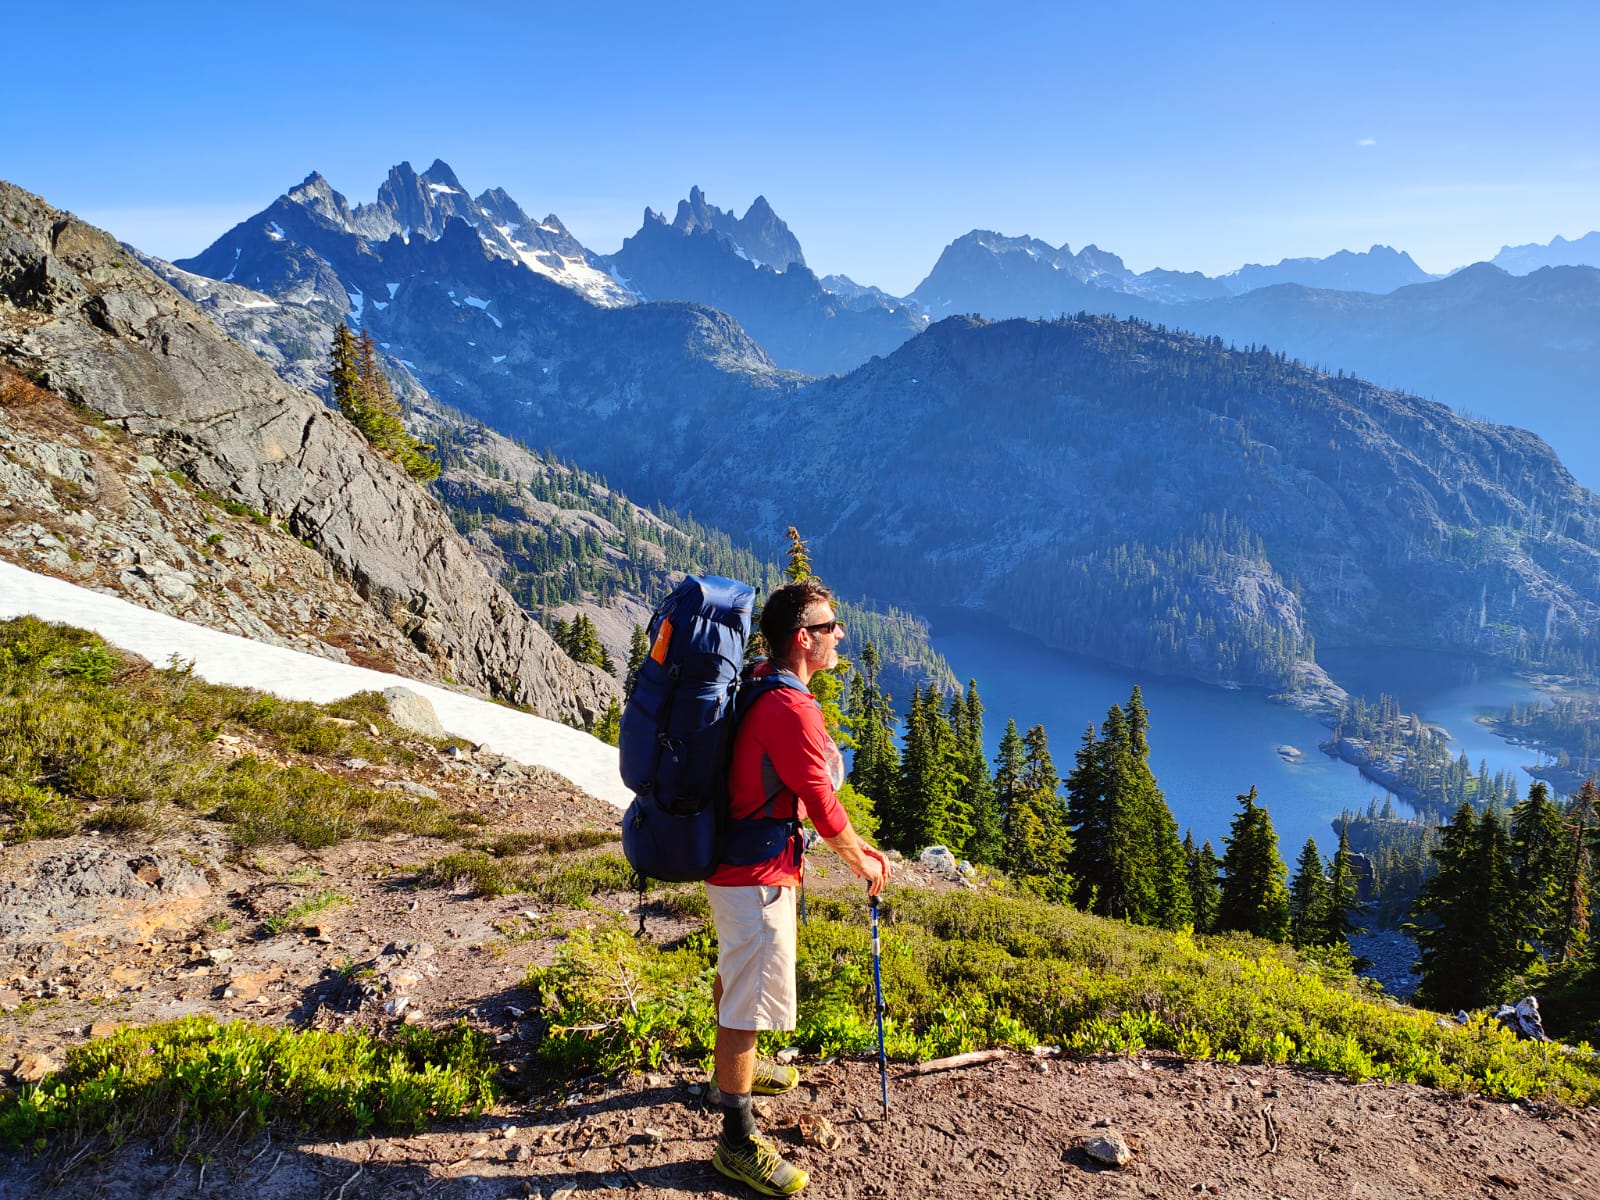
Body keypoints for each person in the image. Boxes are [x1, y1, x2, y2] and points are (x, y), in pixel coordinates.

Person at [705, 578, 892, 1196]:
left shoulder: (763, 681)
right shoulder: (791, 707)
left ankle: (732, 1077)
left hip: (738, 864)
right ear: (803, 639)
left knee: (738, 982)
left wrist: (855, 846)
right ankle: (735, 1141)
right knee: (747, 1000)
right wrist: (860, 862)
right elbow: (819, 802)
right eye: (830, 626)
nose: (840, 634)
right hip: (755, 877)